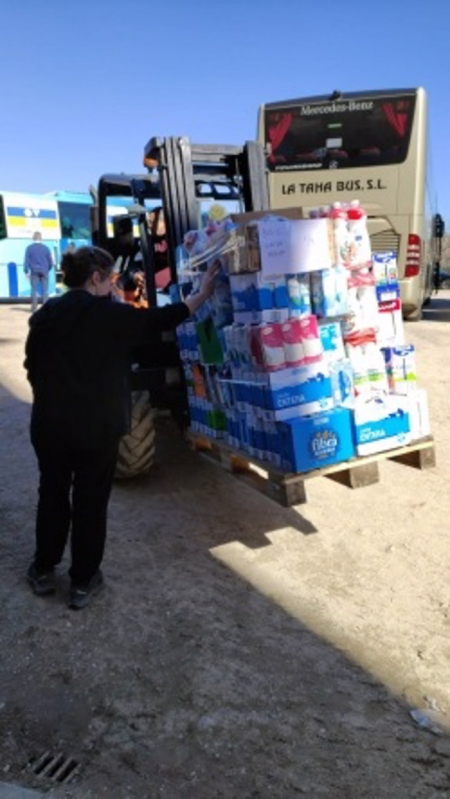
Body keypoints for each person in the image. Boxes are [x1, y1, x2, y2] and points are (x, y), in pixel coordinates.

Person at [24, 245, 218, 610]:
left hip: (50, 425)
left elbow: (31, 367)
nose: (114, 286)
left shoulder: (46, 314)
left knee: (52, 494)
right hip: (97, 428)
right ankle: (82, 581)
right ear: (95, 277)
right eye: (111, 279)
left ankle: (44, 569)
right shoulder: (111, 315)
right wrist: (204, 293)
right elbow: (164, 319)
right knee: (90, 502)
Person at [24, 231, 54, 313]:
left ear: (33, 238)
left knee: (34, 289)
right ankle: (45, 308)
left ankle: (34, 308)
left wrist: (26, 271)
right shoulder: (46, 248)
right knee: (45, 290)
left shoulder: (29, 248)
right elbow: (50, 261)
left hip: (34, 271)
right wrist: (48, 269)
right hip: (44, 271)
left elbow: (26, 260)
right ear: (41, 238)